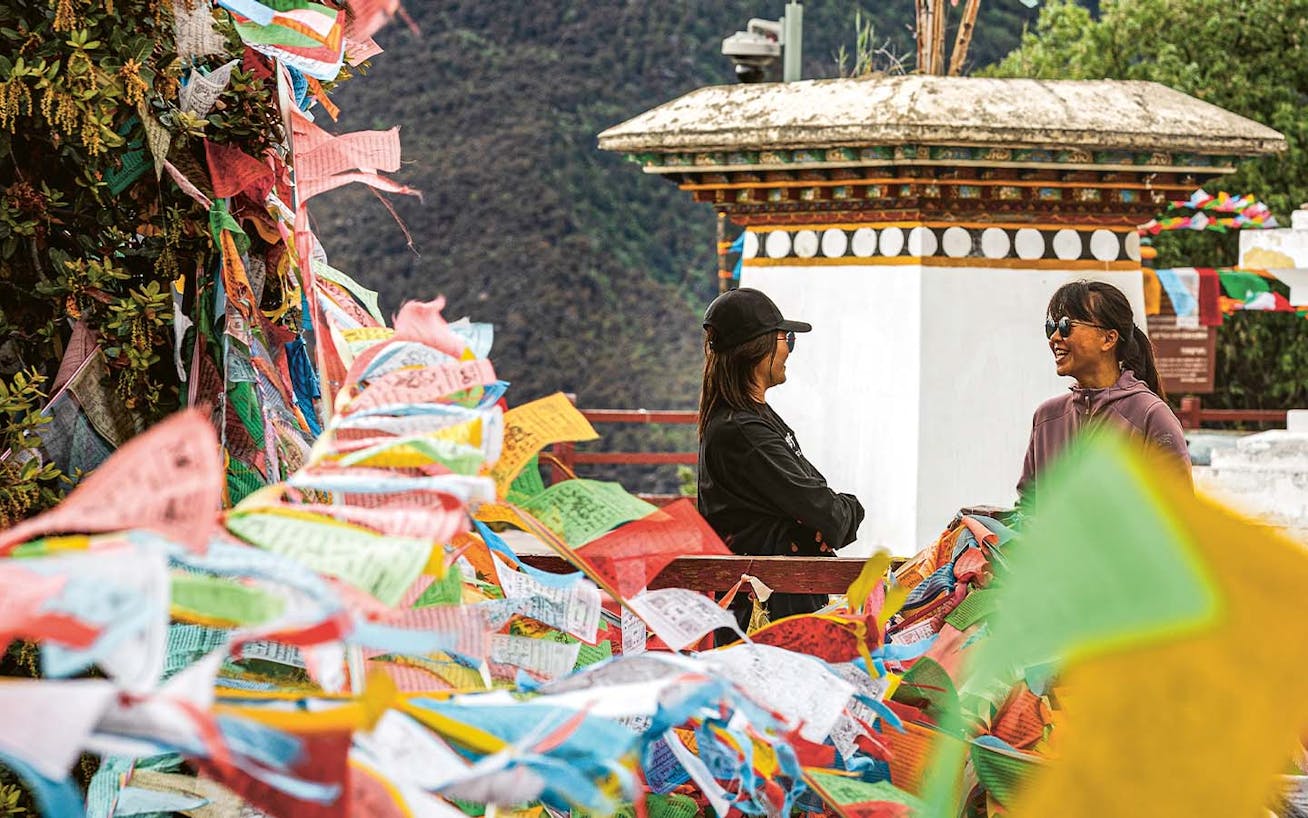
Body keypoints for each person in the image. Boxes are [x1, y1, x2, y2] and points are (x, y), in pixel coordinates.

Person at [696, 287, 865, 631]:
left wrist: (822, 515)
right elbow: (827, 512)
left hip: (784, 601)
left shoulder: (752, 418)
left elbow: (815, 498)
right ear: (758, 348)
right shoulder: (742, 432)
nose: (789, 349)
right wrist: (842, 512)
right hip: (766, 614)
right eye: (785, 338)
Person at [1018, 280, 1191, 503]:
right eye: (1051, 327)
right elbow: (1029, 509)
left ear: (1108, 339)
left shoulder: (1150, 416)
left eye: (1066, 326)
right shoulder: (1046, 418)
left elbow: (1179, 514)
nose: (1055, 338)